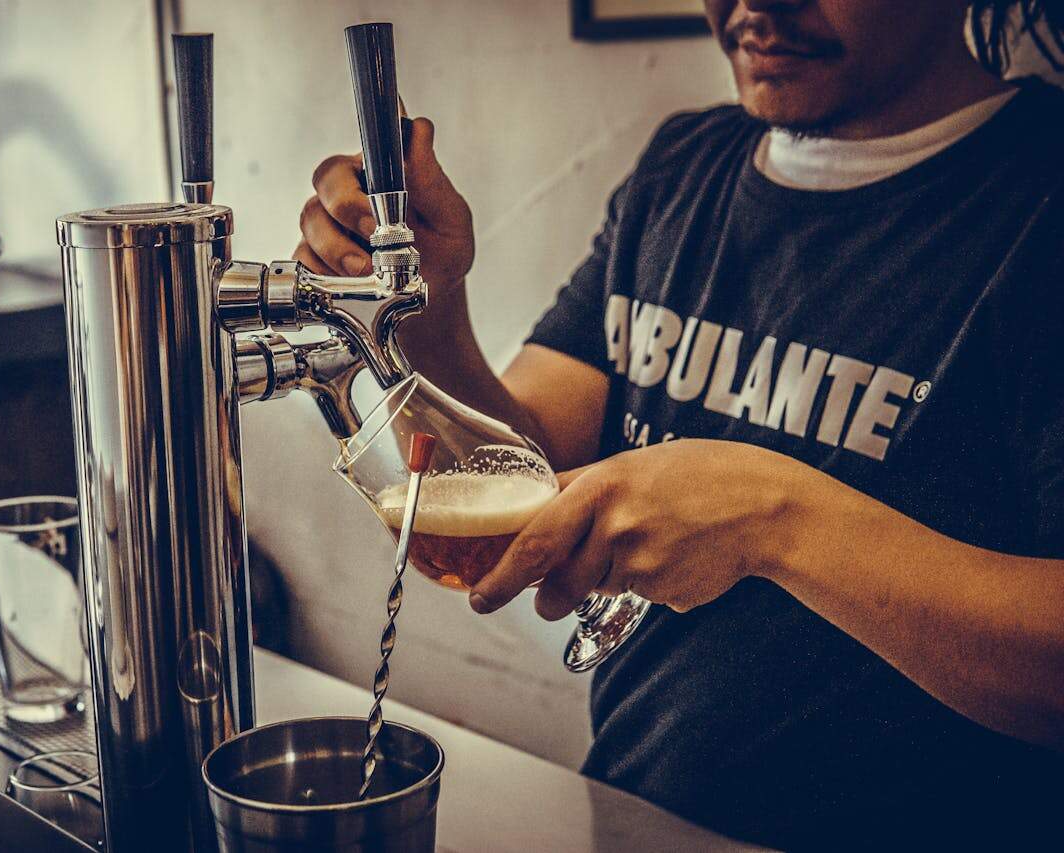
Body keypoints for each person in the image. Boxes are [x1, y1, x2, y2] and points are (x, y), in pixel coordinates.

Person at [296, 1, 1064, 847]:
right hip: (632, 817)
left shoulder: (1038, 201)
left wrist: (774, 516)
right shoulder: (681, 169)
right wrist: (431, 314)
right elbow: (526, 468)